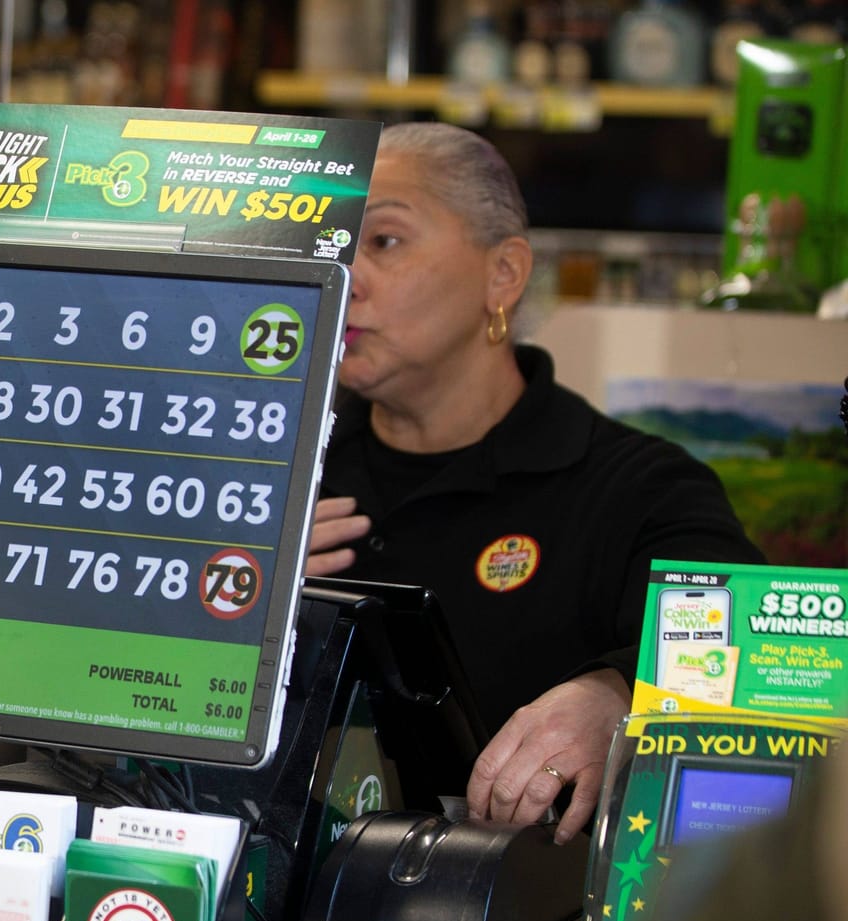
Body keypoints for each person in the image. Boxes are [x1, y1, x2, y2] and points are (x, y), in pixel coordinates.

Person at [307, 122, 761, 844]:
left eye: (383, 241)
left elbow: (755, 651)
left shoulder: (637, 489)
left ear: (505, 274)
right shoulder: (278, 481)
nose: (345, 275)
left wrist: (621, 695)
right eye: (330, 245)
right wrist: (234, 592)